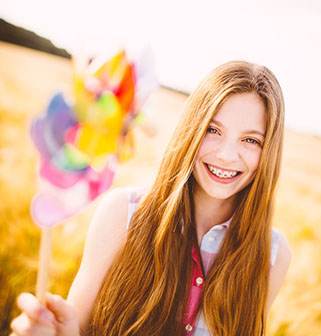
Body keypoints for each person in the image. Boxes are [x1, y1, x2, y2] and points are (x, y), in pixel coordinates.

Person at [10, 60, 292, 336]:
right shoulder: (123, 213)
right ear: (192, 128)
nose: (226, 155)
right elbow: (78, 329)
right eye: (212, 130)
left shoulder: (273, 254)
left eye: (251, 140)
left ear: (269, 151)